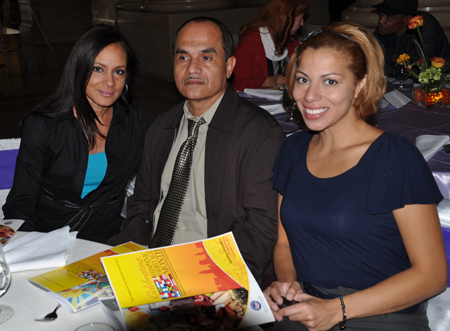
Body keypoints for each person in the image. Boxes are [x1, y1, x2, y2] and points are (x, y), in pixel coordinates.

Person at [264, 22, 447, 330]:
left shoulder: (394, 157)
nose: (310, 96)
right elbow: (284, 243)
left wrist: (336, 310)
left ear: (359, 86)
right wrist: (289, 284)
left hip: (380, 314)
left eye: (330, 81)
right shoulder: (293, 149)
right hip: (309, 307)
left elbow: (432, 275)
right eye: (303, 80)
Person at [107, 17, 285, 283]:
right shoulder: (162, 127)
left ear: (229, 66)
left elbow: (260, 230)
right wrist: (120, 257)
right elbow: (141, 207)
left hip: (212, 274)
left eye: (206, 58)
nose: (192, 68)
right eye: (182, 58)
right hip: (152, 264)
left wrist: (206, 282)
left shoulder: (258, 134)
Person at [2, 25, 152, 243]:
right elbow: (20, 203)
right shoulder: (43, 126)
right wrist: (28, 250)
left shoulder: (136, 123)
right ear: (79, 69)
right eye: (98, 69)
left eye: (118, 71)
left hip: (105, 240)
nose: (109, 82)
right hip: (45, 240)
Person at [231, 0, 309, 91]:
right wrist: (267, 82)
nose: (302, 23)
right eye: (300, 19)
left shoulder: (293, 41)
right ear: (285, 20)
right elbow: (236, 86)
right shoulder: (250, 42)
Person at [372, 0, 450, 76]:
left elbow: (417, 69)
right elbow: (368, 48)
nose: (381, 21)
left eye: (389, 18)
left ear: (407, 19)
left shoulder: (424, 28)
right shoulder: (385, 29)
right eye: (381, 14)